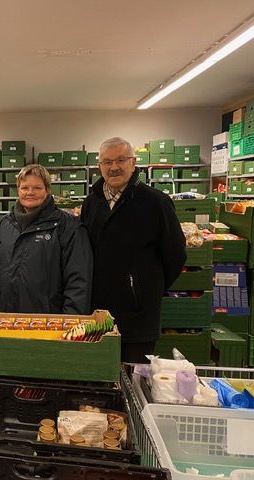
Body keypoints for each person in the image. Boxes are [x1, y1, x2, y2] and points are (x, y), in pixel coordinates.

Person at [81, 137, 186, 363]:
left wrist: (144, 289)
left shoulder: (155, 202)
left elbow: (176, 254)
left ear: (133, 162)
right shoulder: (91, 203)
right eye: (107, 162)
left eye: (121, 160)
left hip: (138, 316)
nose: (114, 167)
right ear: (99, 166)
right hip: (99, 315)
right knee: (100, 373)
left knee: (135, 375)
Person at [0, 164, 92, 314]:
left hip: (48, 323)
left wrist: (70, 322)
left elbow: (78, 282)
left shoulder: (68, 227)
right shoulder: (2, 226)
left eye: (37, 188)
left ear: (48, 190)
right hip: (4, 320)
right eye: (24, 188)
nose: (30, 192)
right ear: (18, 190)